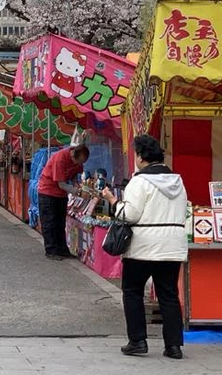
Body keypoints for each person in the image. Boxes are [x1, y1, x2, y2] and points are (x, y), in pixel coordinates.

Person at [101, 134, 188, 359]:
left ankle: (138, 340)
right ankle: (174, 345)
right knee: (168, 294)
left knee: (132, 291)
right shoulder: (177, 181)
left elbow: (129, 214)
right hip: (172, 245)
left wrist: (112, 200)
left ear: (140, 157)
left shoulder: (139, 181)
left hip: (143, 245)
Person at [36, 143, 90, 260]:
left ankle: (62, 249)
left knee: (60, 222)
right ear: (73, 156)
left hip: (61, 194)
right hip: (48, 191)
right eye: (78, 161)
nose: (79, 164)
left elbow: (75, 174)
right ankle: (51, 250)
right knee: (50, 222)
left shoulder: (77, 161)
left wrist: (77, 184)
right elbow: (61, 184)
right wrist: (77, 192)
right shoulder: (60, 158)